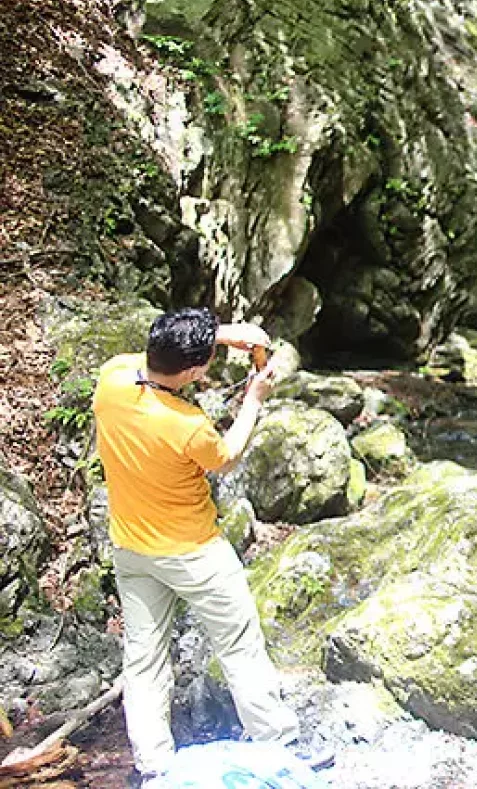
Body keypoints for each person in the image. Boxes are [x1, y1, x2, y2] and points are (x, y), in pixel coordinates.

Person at [92, 308, 329, 782]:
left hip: (131, 549)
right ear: (194, 372)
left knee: (143, 657)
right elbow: (226, 457)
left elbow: (160, 351)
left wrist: (222, 335)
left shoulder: (112, 378)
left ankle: (154, 766)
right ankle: (279, 743)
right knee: (239, 646)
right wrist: (254, 398)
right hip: (194, 551)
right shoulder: (187, 425)